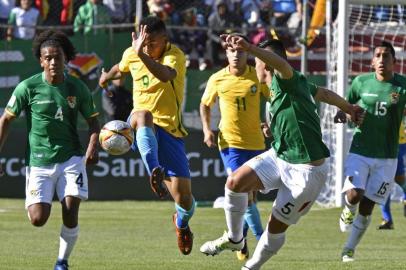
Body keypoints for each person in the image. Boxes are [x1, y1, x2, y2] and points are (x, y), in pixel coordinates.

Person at [199, 37, 364, 270]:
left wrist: (250, 47)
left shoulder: (286, 77)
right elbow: (324, 94)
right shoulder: (284, 89)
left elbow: (283, 65)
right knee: (234, 182)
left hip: (307, 173)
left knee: (275, 226)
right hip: (280, 156)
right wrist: (349, 108)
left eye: (256, 60)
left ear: (265, 63)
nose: (253, 65)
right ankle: (235, 239)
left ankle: (251, 267)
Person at [0, 30, 100, 270]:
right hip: (39, 161)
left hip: (72, 158)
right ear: (41, 61)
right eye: (49, 58)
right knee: (38, 219)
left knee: (70, 207)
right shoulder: (28, 87)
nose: (54, 62)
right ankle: (35, 205)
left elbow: (94, 122)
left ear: (66, 59)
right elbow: (5, 120)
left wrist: (93, 145)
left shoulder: (78, 87)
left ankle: (62, 262)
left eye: (58, 57)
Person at [98, 16, 195, 255]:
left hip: (170, 130)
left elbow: (164, 75)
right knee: (143, 114)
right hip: (141, 125)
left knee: (185, 201)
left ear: (165, 39)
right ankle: (154, 169)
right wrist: (106, 76)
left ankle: (181, 223)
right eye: (144, 42)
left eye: (152, 42)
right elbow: (119, 67)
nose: (147, 47)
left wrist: (139, 53)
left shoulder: (175, 56)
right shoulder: (132, 53)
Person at [200, 33, 269, 261]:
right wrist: (207, 130)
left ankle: (240, 239)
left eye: (240, 51)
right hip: (231, 145)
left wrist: (268, 123)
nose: (236, 54)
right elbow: (204, 104)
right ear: (226, 53)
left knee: (251, 197)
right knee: (245, 194)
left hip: (256, 143)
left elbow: (273, 99)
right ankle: (262, 240)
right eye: (232, 51)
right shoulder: (217, 79)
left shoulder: (256, 78)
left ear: (247, 52)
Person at [335, 41, 406, 262]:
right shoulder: (360, 82)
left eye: (386, 56)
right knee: (355, 194)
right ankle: (347, 208)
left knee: (367, 207)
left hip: (387, 157)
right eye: (378, 55)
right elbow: (346, 109)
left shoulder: (402, 86)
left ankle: (349, 248)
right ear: (372, 61)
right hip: (360, 150)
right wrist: (346, 115)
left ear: (394, 62)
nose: (382, 59)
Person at [378, 117, 406, 229]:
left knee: (399, 178)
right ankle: (387, 219)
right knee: (383, 182)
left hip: (399, 143)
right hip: (380, 144)